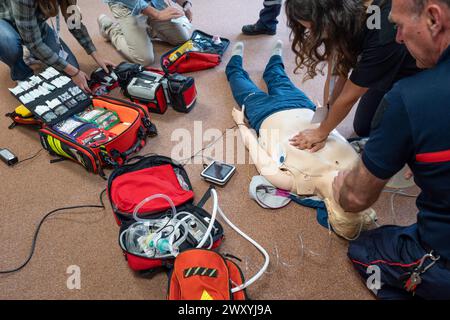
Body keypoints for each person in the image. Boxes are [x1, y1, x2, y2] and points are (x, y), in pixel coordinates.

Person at [333, 0, 450, 300]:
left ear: (434, 18)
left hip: (441, 258)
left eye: (399, 25)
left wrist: (340, 189)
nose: (397, 36)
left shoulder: (408, 98)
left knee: (364, 248)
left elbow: (355, 199)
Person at [226, 41, 377, 240]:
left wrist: (240, 124)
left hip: (263, 113)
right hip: (302, 107)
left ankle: (235, 60)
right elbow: (335, 135)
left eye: (350, 198)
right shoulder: (356, 166)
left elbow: (254, 147)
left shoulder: (295, 183)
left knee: (237, 78)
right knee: (277, 75)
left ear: (334, 205)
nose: (356, 189)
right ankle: (276, 56)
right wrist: (321, 114)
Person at [285, 0, 420, 152]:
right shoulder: (340, 13)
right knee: (363, 126)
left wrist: (321, 132)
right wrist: (327, 114)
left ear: (331, 18)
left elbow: (350, 96)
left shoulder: (382, 33)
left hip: (417, 63)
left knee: (387, 127)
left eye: (314, 29)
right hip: (378, 48)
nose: (315, 35)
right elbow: (337, 70)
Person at [0, 0, 114, 93]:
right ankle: (21, 73)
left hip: (34, 26)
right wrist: (74, 73)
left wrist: (96, 55)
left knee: (70, 70)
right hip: (4, 22)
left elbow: (74, 23)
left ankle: (33, 52)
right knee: (9, 46)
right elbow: (34, 44)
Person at [98, 0, 193, 66]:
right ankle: (110, 29)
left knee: (182, 39)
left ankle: (144, 29)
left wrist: (184, 3)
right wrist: (157, 14)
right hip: (125, 4)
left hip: (152, 1)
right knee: (144, 59)